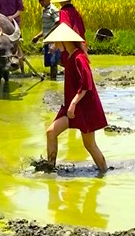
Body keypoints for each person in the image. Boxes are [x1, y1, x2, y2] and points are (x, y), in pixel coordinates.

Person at [41, 23, 108, 172]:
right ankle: (50, 168)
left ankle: (104, 172)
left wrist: (73, 104)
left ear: (64, 41)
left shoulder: (79, 58)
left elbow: (86, 83)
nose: (56, 46)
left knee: (89, 144)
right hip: (72, 107)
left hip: (83, 107)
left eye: (57, 42)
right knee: (51, 132)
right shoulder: (69, 57)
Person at [31, 0, 61, 79]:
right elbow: (46, 28)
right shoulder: (44, 10)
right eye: (39, 0)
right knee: (50, 61)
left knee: (53, 62)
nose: (40, 2)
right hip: (47, 39)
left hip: (53, 40)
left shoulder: (53, 9)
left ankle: (53, 79)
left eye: (42, 0)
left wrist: (49, 34)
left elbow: (58, 23)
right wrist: (38, 36)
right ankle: (53, 77)